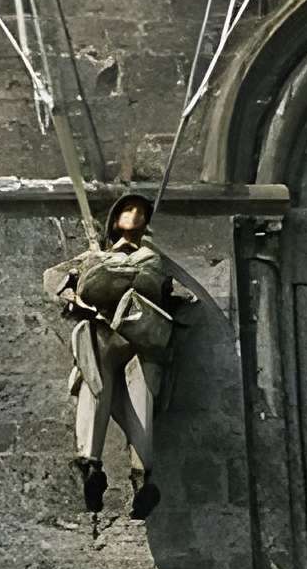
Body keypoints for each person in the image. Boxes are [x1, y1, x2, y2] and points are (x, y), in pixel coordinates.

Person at [49, 192, 197, 518]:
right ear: (116, 220)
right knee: (94, 384)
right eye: (129, 209)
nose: (136, 214)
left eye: (141, 211)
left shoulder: (151, 257)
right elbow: (54, 278)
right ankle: (90, 466)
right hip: (105, 330)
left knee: (140, 399)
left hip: (142, 336)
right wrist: (74, 295)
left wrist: (177, 298)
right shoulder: (96, 255)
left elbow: (173, 290)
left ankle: (142, 477)